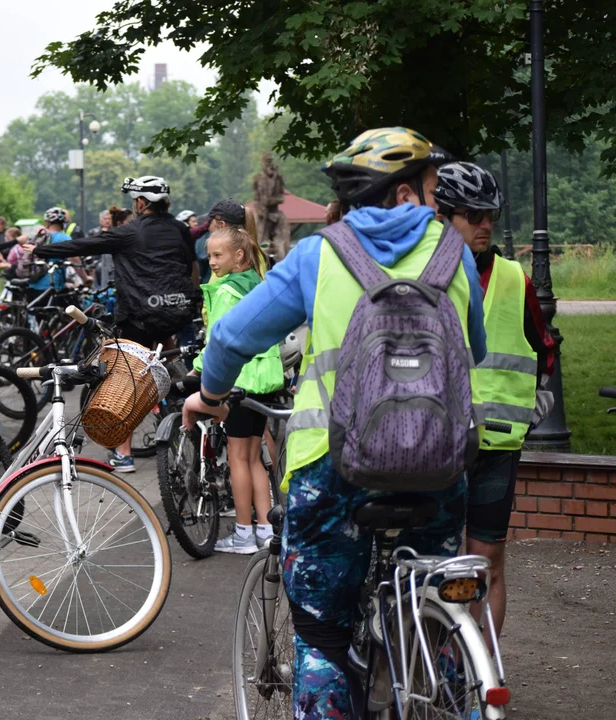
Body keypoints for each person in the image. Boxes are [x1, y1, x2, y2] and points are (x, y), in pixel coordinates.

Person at [182, 127, 488, 717]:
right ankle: (442, 676)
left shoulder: (318, 255)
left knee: (322, 636)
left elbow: (230, 337)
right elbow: (470, 350)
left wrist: (212, 395)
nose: (437, 201)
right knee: (437, 614)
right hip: (439, 463)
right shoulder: (456, 257)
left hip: (333, 467)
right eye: (430, 189)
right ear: (403, 197)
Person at [434, 161, 554, 642]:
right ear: (443, 216)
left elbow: (542, 347)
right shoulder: (428, 277)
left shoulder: (513, 278)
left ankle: (479, 679)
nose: (484, 226)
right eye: (471, 215)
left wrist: (536, 403)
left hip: (497, 444)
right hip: (439, 441)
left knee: (487, 562)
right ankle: (438, 662)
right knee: (440, 558)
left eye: (490, 217)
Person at [33, 176, 198, 472]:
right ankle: (190, 415)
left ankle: (124, 453)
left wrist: (39, 250)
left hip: (139, 316)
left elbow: (85, 245)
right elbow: (190, 268)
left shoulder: (129, 232)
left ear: (140, 203)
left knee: (126, 377)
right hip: (175, 312)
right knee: (170, 360)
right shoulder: (181, 230)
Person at [191, 226, 284, 553]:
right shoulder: (258, 285)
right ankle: (265, 530)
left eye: (218, 255)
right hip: (266, 378)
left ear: (239, 256)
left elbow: (220, 341)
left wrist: (197, 370)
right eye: (209, 255)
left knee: (238, 458)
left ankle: (243, 533)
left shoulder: (227, 292)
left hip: (241, 382)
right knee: (255, 458)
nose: (211, 262)